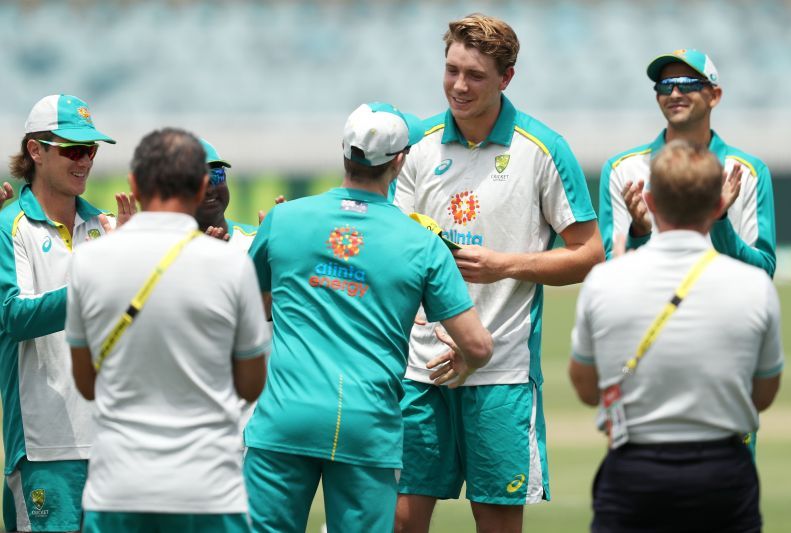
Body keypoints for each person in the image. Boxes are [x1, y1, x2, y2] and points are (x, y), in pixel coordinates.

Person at [391, 13, 604, 532]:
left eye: (476, 75)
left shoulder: (543, 149)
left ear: (507, 77)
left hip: (501, 375)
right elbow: (389, 247)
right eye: (451, 70)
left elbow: (590, 252)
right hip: (418, 372)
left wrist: (506, 265)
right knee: (398, 523)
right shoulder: (414, 144)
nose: (459, 86)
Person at [244, 102, 493, 533]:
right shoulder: (422, 243)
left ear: (344, 151)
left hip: (284, 418)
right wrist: (466, 360)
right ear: (399, 161)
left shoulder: (283, 219)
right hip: (365, 423)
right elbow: (477, 345)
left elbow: (246, 310)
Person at [570, 140, 782, 533]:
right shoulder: (755, 285)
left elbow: (585, 389)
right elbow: (764, 395)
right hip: (723, 468)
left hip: (634, 470)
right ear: (719, 207)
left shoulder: (605, 281)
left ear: (649, 200)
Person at [65, 128, 269, 533]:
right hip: (208, 489)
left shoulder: (89, 262)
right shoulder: (231, 264)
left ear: (134, 185)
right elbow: (250, 384)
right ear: (199, 187)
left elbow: (87, 384)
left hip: (117, 488)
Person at [0, 94, 115, 532]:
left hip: (111, 444)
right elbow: (15, 315)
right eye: (72, 149)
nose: (84, 161)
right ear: (35, 150)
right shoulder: (10, 225)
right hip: (43, 447)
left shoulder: (105, 226)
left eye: (90, 150)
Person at [599, 48, 776, 278]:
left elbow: (762, 271)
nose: (674, 93)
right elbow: (610, 273)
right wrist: (639, 233)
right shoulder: (621, 170)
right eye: (665, 85)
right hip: (651, 313)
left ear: (715, 96)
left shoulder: (748, 172)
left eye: (687, 84)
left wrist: (720, 221)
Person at [195, 138, 258, 250]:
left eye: (217, 175)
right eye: (197, 181)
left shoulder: (255, 241)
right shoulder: (167, 248)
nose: (209, 190)